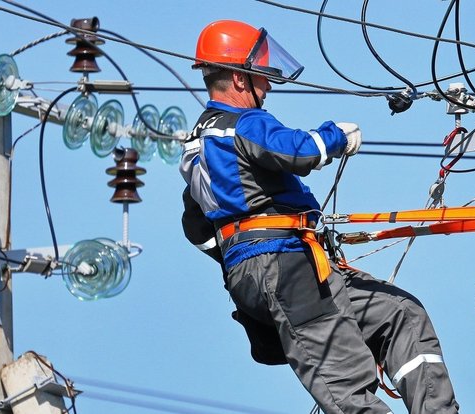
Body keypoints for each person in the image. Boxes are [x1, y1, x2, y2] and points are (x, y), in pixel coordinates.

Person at [178, 20, 460, 414]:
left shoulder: (199, 145)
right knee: (346, 387)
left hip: (282, 269)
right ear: (241, 80)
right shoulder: (244, 123)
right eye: (262, 77)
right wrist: (337, 136)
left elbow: (196, 230)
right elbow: (298, 151)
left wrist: (245, 259)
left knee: (400, 313)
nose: (269, 86)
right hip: (286, 268)